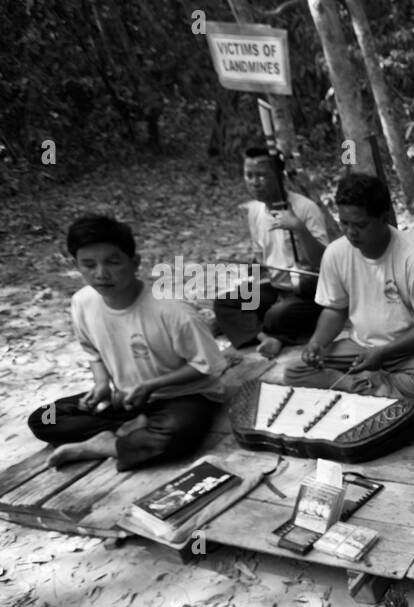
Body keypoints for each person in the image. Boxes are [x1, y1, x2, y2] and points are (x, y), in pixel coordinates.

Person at [28, 215, 226, 470]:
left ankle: (107, 444)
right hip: (127, 398)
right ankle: (127, 432)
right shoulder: (83, 302)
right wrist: (101, 384)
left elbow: (209, 365)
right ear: (76, 265)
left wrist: (151, 385)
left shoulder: (173, 310)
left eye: (112, 262)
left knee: (178, 432)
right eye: (88, 264)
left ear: (135, 263)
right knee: (43, 418)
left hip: (182, 395)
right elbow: (92, 350)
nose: (101, 274)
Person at [284, 174, 414, 409]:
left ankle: (364, 386)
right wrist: (317, 343)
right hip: (361, 347)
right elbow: (335, 308)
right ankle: (371, 387)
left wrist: (383, 353)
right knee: (295, 371)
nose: (351, 232)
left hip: (413, 350)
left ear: (384, 217)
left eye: (360, 225)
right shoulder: (336, 253)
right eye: (345, 223)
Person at [213, 146, 329, 356]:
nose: (254, 182)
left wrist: (299, 228)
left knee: (276, 315)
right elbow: (260, 260)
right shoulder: (255, 210)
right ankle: (266, 338)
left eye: (261, 175)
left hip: (308, 293)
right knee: (225, 302)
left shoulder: (305, 208)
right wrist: (252, 285)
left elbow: (322, 261)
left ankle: (265, 331)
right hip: (276, 288)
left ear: (278, 175)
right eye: (249, 175)